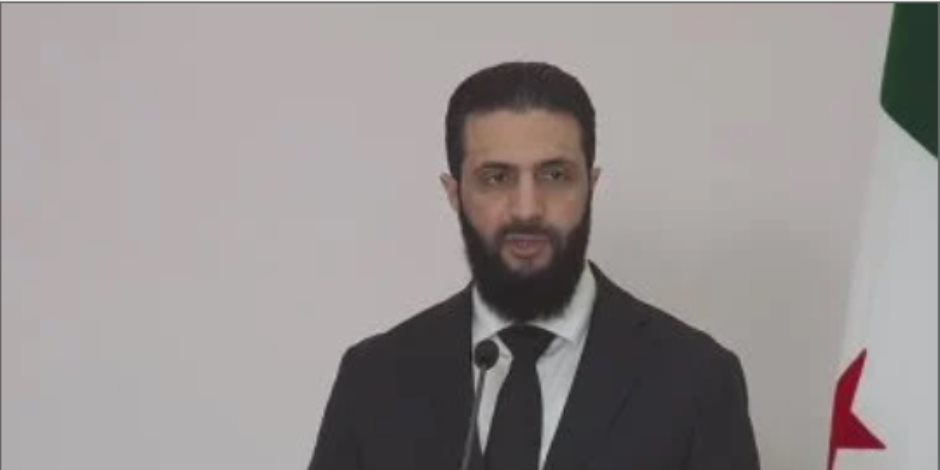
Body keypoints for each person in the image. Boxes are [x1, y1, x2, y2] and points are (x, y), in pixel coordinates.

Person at [308, 61, 760, 470]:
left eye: (555, 175)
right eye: (496, 177)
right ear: (454, 194)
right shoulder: (374, 378)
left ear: (591, 186)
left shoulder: (697, 379)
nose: (527, 208)